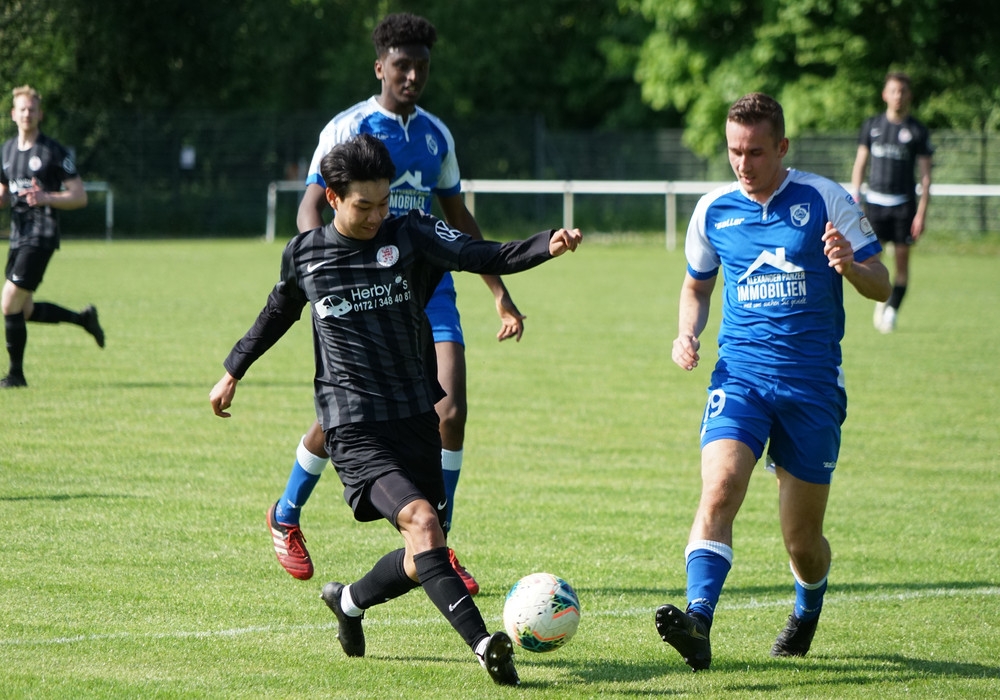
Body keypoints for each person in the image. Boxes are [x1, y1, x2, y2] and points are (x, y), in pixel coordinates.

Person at [209, 133, 582, 685]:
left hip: (413, 415)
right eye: (364, 205)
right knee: (424, 523)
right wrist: (233, 370)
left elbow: (481, 253)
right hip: (352, 424)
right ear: (332, 198)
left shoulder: (411, 234)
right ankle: (486, 646)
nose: (377, 215)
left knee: (421, 552)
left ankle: (348, 601)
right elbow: (278, 311)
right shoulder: (306, 254)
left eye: (384, 202)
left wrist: (544, 244)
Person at [269, 12, 524, 591]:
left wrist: (500, 293)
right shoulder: (347, 128)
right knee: (347, 416)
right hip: (361, 290)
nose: (412, 76)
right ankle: (286, 512)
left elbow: (458, 219)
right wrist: (324, 270)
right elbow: (312, 205)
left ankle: (441, 543)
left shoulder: (436, 136)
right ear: (379, 67)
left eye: (421, 67)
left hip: (428, 288)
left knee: (450, 411)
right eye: (401, 65)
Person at [656, 93, 890, 671]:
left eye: (756, 152)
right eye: (734, 151)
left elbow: (882, 283)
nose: (743, 163)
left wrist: (850, 266)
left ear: (782, 147)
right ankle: (699, 620)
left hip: (812, 387)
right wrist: (687, 332)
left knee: (801, 541)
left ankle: (807, 609)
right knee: (720, 487)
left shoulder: (825, 198)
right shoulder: (713, 210)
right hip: (741, 377)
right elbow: (696, 286)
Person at [1, 85, 104, 389]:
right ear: (13, 114)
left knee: (8, 302)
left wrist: (46, 197)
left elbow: (79, 196)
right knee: (25, 310)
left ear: (40, 114)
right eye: (22, 109)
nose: (27, 114)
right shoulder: (5, 151)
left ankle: (16, 376)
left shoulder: (53, 151)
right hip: (18, 235)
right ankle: (83, 319)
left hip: (41, 234)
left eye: (32, 109)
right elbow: (3, 193)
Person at [851, 71, 934, 334]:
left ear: (909, 96)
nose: (898, 96)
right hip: (875, 205)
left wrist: (921, 213)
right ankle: (881, 299)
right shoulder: (872, 126)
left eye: (903, 91)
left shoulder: (917, 130)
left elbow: (926, 177)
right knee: (870, 261)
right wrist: (855, 199)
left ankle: (892, 310)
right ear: (885, 95)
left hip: (903, 207)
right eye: (893, 91)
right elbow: (860, 165)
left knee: (901, 265)